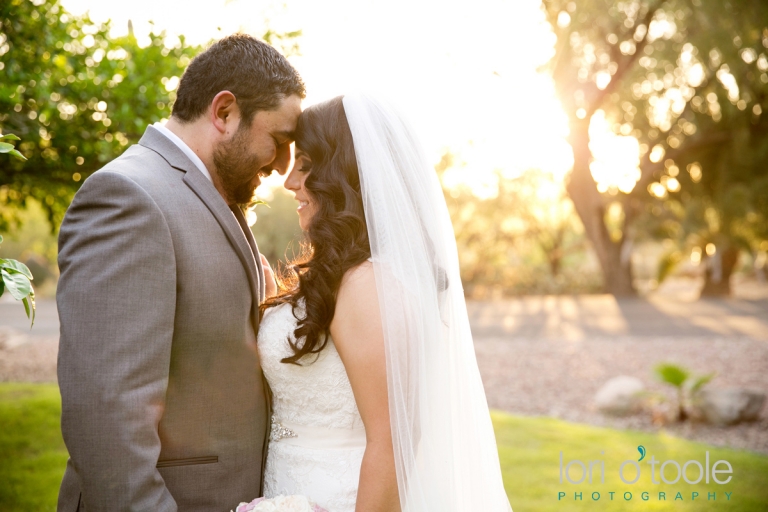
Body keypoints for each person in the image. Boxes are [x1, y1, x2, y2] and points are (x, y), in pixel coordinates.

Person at [56, 34, 304, 511]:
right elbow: (107, 415)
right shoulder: (129, 197)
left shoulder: (211, 196)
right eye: (279, 141)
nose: (281, 166)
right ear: (225, 112)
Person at [257, 94, 512, 511]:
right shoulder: (346, 276)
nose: (289, 182)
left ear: (342, 173)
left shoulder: (368, 283)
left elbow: (393, 442)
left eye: (305, 164)